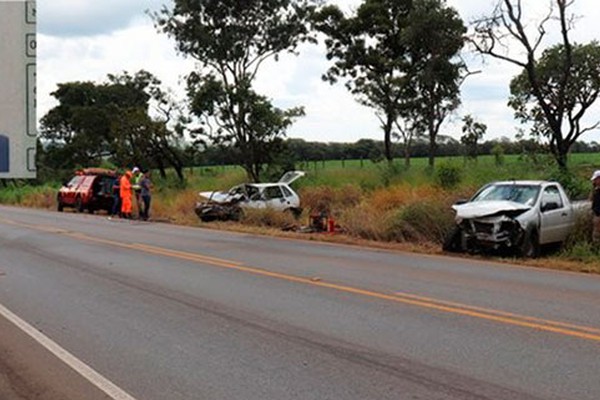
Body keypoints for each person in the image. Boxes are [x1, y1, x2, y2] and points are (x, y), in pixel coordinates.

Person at [591, 170, 600, 243]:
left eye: (595, 179)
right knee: (596, 233)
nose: (594, 181)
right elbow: (591, 199)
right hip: (596, 214)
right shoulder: (596, 189)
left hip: (599, 214)